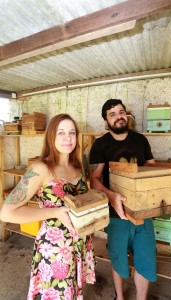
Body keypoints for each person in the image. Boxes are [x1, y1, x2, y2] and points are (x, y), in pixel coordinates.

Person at [0, 113, 96, 300]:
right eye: (61, 133)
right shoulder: (41, 169)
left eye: (72, 132)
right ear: (51, 136)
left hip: (79, 245)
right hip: (55, 250)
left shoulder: (77, 166)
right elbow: (7, 212)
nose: (68, 138)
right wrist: (54, 213)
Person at [89, 99, 157, 300]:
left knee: (144, 259)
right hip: (115, 214)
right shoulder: (100, 145)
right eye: (112, 114)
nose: (119, 116)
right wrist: (111, 196)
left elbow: (152, 170)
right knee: (119, 259)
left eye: (121, 112)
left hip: (144, 211)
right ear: (106, 122)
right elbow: (94, 180)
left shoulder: (140, 140)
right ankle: (120, 296)